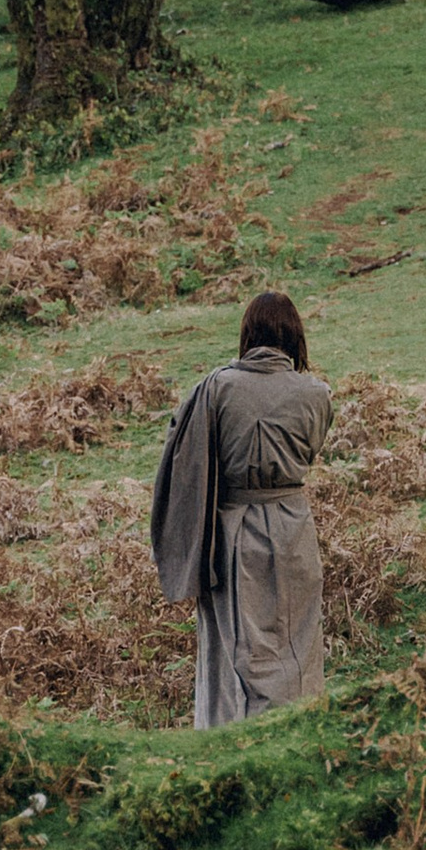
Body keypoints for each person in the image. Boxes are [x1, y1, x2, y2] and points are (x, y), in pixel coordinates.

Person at [150, 289, 336, 721]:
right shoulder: (317, 393)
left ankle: (229, 735)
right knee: (296, 643)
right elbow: (309, 455)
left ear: (248, 332)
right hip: (294, 532)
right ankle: (297, 727)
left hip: (232, 533)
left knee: (232, 647)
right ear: (295, 335)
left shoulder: (216, 388)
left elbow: (186, 458)